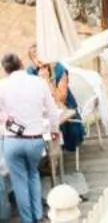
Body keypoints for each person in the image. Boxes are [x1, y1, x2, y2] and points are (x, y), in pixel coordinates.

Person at [0, 51, 62, 222]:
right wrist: (54, 129)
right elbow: (52, 112)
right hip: (35, 140)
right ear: (21, 64)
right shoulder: (38, 82)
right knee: (33, 175)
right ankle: (39, 215)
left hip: (12, 141)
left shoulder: (2, 86)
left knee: (19, 181)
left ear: (5, 69)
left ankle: (27, 220)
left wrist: (7, 120)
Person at [26, 46, 83, 156]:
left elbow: (61, 99)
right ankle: (47, 159)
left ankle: (52, 159)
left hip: (66, 114)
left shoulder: (59, 69)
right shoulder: (31, 72)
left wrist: (47, 80)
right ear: (32, 61)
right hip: (43, 114)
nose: (38, 58)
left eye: (39, 54)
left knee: (61, 136)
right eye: (34, 56)